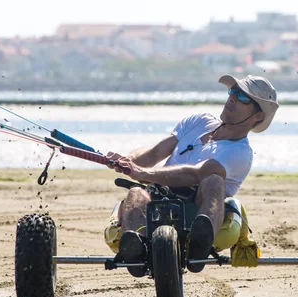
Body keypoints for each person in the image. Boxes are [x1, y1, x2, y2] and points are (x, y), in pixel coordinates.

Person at [105, 74, 279, 274]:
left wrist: (143, 173)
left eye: (244, 98)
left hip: (196, 205)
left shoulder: (240, 153)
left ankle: (199, 248)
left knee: (213, 181)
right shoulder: (198, 121)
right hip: (160, 195)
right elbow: (154, 153)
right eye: (234, 91)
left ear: (258, 116)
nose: (232, 98)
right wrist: (128, 160)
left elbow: (196, 175)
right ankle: (137, 251)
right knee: (136, 193)